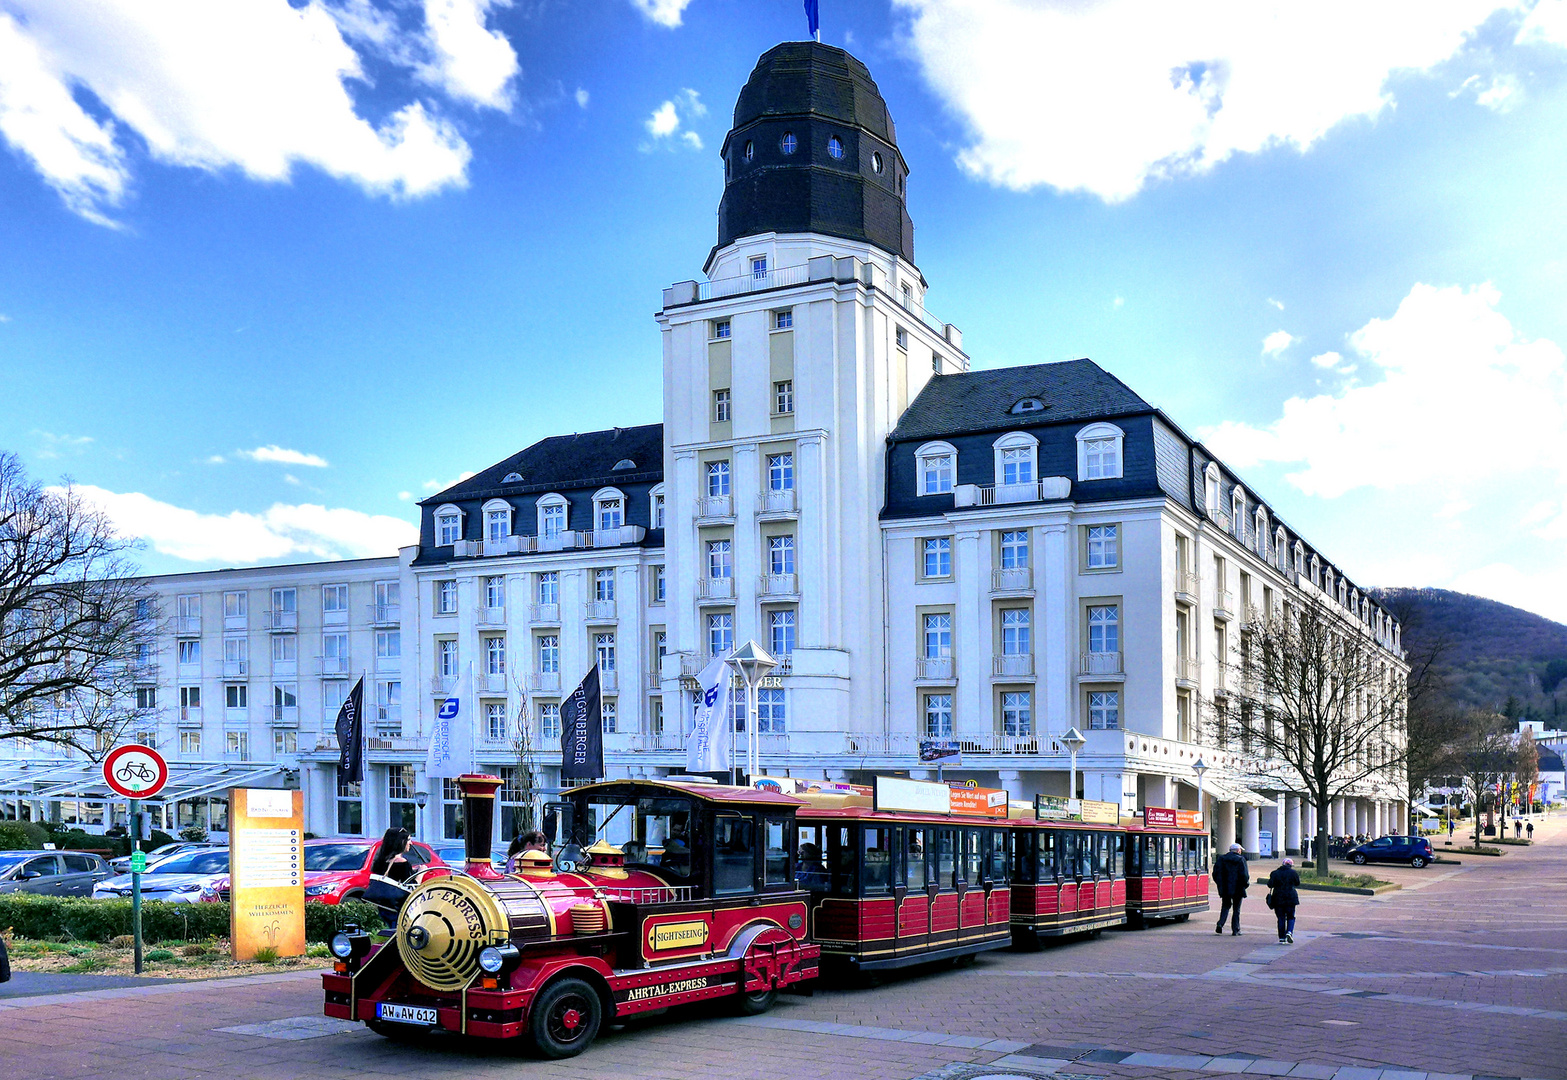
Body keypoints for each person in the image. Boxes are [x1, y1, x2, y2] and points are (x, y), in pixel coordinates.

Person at [1212, 842, 1249, 936]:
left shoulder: (1221, 859)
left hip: (1225, 887)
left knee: (1225, 906)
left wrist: (1220, 884)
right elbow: (1244, 875)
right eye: (1240, 850)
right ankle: (1235, 929)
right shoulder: (1241, 859)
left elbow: (1215, 873)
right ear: (1238, 850)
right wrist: (1245, 885)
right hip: (1238, 887)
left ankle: (1220, 923)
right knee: (1236, 909)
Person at [1267, 857, 1301, 944]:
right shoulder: (1293, 873)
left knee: (1280, 917)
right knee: (1291, 916)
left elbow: (1270, 884)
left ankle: (1282, 937)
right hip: (1291, 897)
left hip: (1278, 897)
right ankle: (1289, 932)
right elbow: (1297, 883)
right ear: (1291, 865)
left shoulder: (1275, 873)